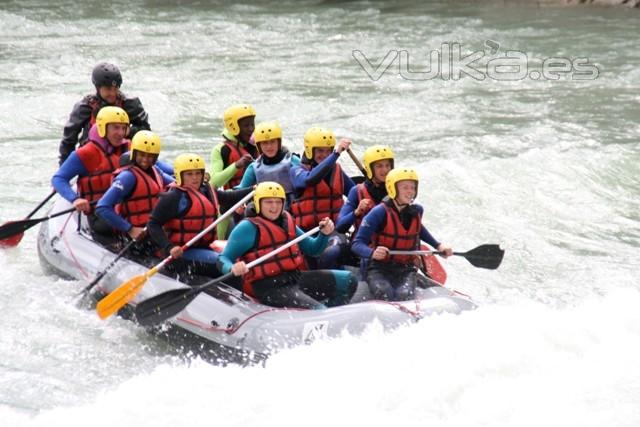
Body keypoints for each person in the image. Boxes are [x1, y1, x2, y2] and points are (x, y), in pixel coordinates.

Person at [218, 182, 357, 309]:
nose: (274, 207)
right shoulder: (247, 228)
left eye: (278, 202)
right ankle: (322, 315)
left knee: (348, 280)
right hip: (269, 288)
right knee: (319, 310)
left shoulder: (287, 221)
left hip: (294, 278)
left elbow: (313, 249)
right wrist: (232, 268)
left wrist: (324, 234)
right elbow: (222, 258)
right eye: (268, 202)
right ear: (258, 203)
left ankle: (331, 315)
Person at [350, 168, 453, 301]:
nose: (410, 191)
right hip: (379, 268)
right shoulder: (378, 212)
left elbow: (419, 230)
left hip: (405, 268)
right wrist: (372, 253)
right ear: (392, 188)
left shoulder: (416, 211)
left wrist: (439, 246)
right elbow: (357, 244)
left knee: (404, 294)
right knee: (383, 291)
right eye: (405, 187)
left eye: (413, 187)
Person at [147, 153, 252, 278]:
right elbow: (153, 224)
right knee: (226, 265)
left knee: (236, 258)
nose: (195, 178)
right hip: (181, 253)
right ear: (180, 175)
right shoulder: (173, 197)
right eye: (189, 174)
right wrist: (169, 247)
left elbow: (229, 197)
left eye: (198, 173)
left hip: (204, 247)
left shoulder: (206, 191)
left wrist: (254, 189)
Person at [52, 106, 130, 235]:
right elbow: (59, 179)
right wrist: (75, 199)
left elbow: (157, 167)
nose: (120, 133)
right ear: (102, 128)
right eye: (115, 127)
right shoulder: (86, 153)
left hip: (127, 209)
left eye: (123, 128)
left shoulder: (130, 148)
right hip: (100, 214)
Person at [58, 62, 150, 165]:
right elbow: (69, 140)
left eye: (115, 89)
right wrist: (65, 167)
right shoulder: (85, 107)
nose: (112, 93)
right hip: (93, 159)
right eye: (108, 89)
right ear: (98, 88)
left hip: (123, 158)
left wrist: (125, 131)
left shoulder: (130, 104)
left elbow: (146, 131)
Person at [319, 145, 395, 269]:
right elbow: (340, 226)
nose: (385, 170)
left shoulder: (398, 191)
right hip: (362, 247)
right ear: (370, 169)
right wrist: (356, 212)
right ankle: (333, 282)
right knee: (330, 254)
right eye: (379, 166)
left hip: (389, 248)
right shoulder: (357, 191)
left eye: (387, 165)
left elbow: (411, 224)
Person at [96, 130, 174, 245]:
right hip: (135, 236)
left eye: (150, 156)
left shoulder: (155, 170)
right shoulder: (127, 177)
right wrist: (130, 229)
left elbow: (176, 184)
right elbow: (102, 207)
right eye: (142, 155)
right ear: (134, 153)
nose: (145, 160)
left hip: (154, 229)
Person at [289, 127, 355, 231]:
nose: (325, 155)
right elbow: (310, 180)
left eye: (328, 151)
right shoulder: (296, 171)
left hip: (333, 230)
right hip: (306, 233)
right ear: (309, 150)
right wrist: (336, 154)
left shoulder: (337, 170)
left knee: (334, 248)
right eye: (320, 150)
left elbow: (355, 193)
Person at [235, 121, 300, 207]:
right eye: (265, 143)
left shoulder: (292, 160)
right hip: (265, 211)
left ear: (279, 142)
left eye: (272, 142)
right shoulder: (254, 167)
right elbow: (240, 190)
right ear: (259, 145)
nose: (269, 146)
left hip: (291, 209)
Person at [208, 104, 257, 189]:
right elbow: (214, 182)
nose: (251, 129)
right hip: (234, 198)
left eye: (252, 124)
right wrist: (236, 165)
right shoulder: (221, 150)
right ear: (233, 127)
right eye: (246, 126)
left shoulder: (259, 144)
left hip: (262, 197)